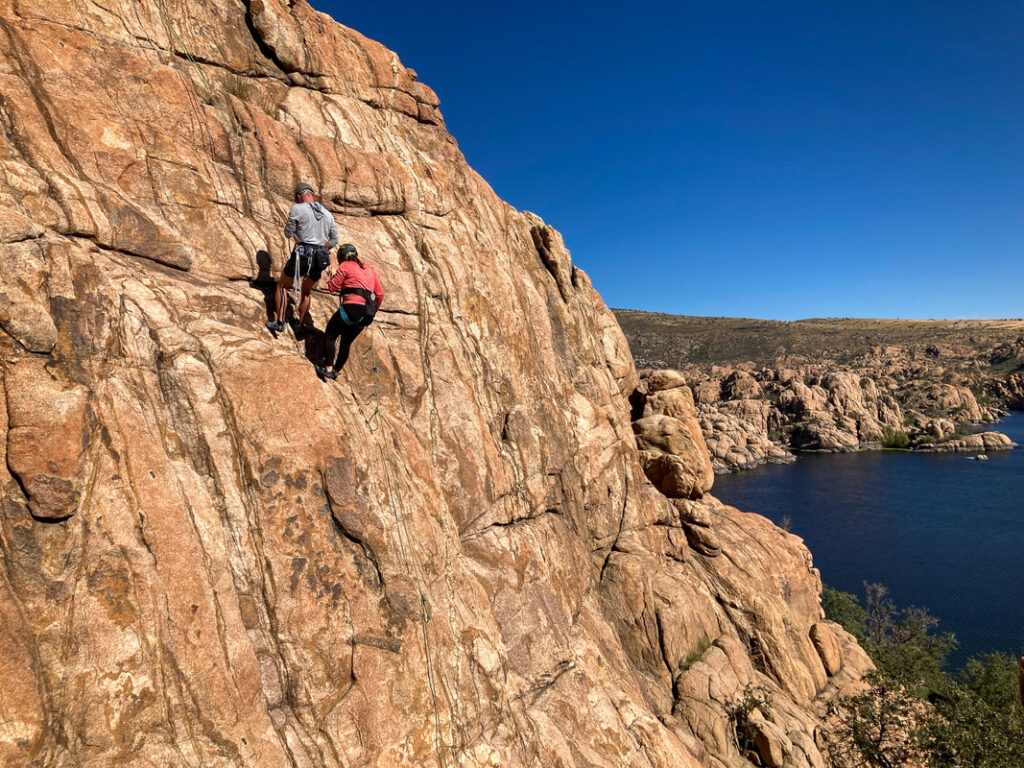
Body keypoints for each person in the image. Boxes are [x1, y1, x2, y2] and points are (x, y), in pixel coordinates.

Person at [265, 182, 338, 334]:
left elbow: (288, 233)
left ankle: (279, 322)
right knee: (306, 292)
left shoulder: (297, 208)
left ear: (299, 196)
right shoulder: (328, 213)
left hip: (302, 254)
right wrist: (321, 249)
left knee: (282, 286)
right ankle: (300, 324)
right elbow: (334, 240)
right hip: (319, 258)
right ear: (311, 194)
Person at [316, 244, 384, 380]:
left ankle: (328, 366)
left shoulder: (345, 266)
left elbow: (332, 288)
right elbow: (380, 294)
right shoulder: (370, 269)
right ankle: (335, 372)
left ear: (341, 257)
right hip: (366, 314)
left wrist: (330, 277)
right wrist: (374, 310)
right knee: (346, 342)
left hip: (351, 309)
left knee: (330, 334)